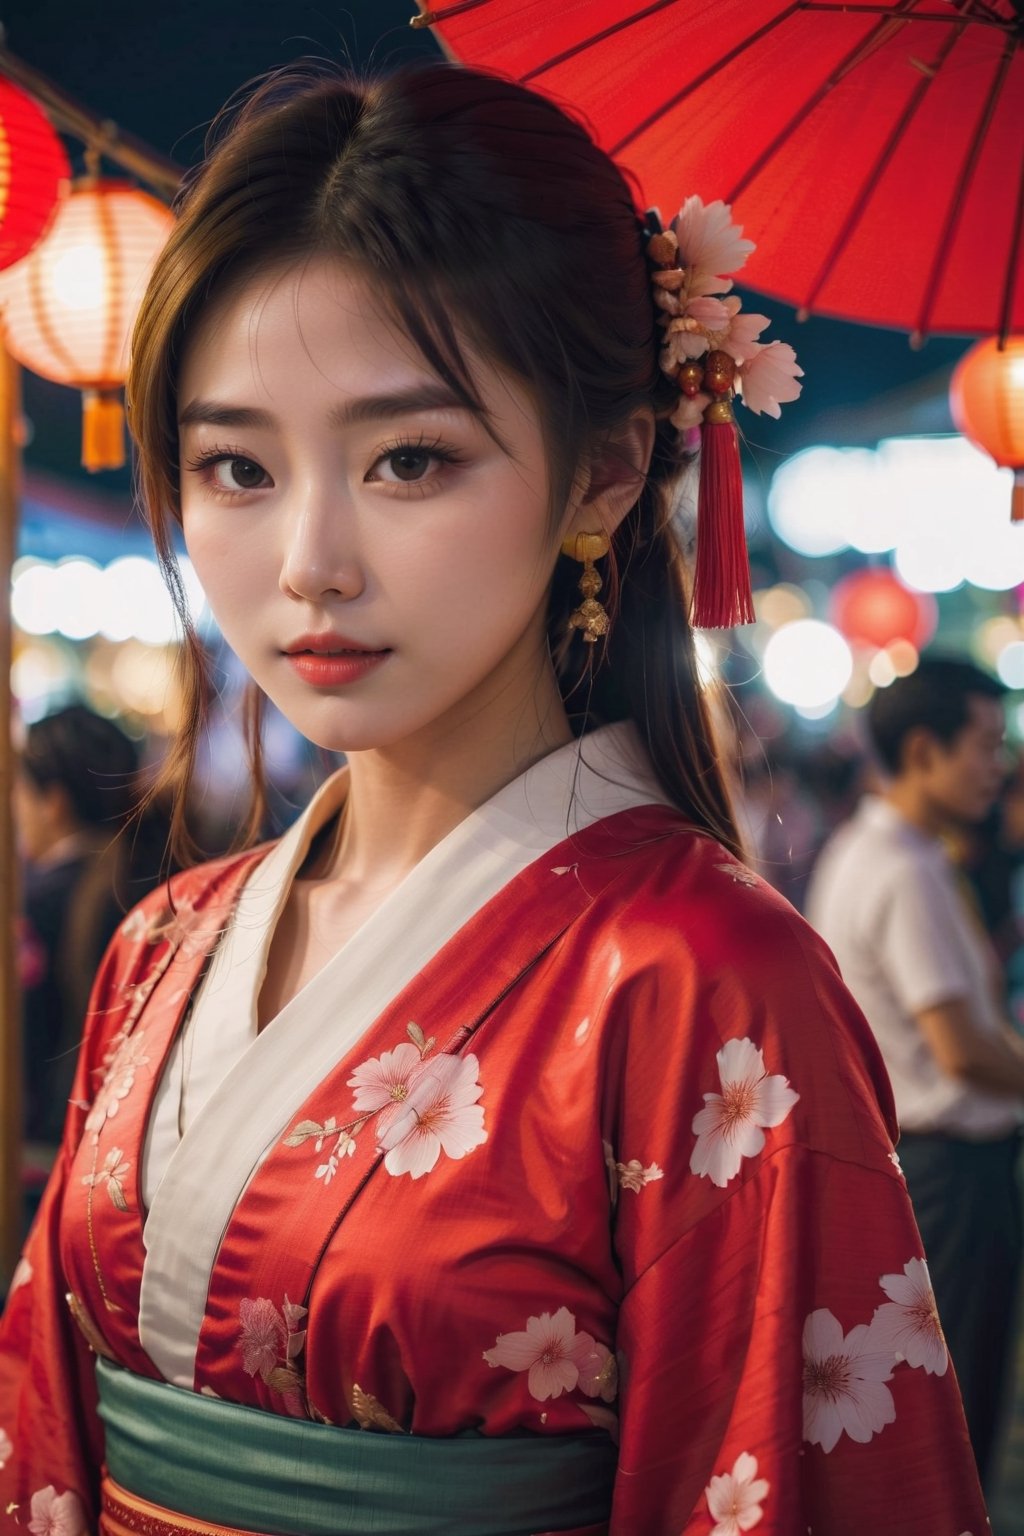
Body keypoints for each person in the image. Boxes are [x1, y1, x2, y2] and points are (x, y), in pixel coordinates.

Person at [0, 62, 986, 1536]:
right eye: (235, 466)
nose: (309, 561)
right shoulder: (164, 941)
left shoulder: (711, 982)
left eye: (410, 458)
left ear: (603, 474)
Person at [806, 657, 1024, 1490]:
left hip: (920, 1169)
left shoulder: (875, 851)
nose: (997, 766)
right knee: (957, 1411)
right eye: (985, 745)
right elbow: (963, 1046)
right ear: (926, 749)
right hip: (950, 1177)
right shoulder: (903, 869)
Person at [14, 706, 143, 1151]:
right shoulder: (142, 880)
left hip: (41, 1138)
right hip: (108, 1129)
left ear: (54, 803)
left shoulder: (36, 902)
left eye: (18, 792)